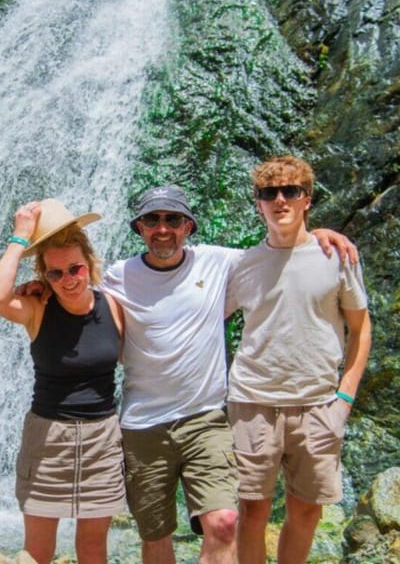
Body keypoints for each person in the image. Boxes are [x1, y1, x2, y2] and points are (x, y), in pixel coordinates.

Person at [99, 185, 356, 564]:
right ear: (139, 227)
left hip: (206, 418)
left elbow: (280, 250)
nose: (163, 228)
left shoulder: (221, 262)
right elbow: (76, 300)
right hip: (142, 425)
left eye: (173, 219)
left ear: (188, 226)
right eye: (152, 220)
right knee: (155, 537)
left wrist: (317, 233)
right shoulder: (118, 276)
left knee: (224, 522)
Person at [225, 155, 371, 564]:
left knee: (306, 510)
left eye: (291, 191)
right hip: (252, 402)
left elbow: (361, 329)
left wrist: (344, 398)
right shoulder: (241, 265)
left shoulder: (338, 257)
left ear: (307, 199)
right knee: (251, 511)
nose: (280, 200)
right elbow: (194, 306)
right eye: (269, 193)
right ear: (258, 203)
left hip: (319, 404)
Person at [0, 199, 127, 564]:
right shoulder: (38, 309)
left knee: (94, 548)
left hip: (102, 439)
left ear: (90, 264)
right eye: (56, 274)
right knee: (37, 551)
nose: (68, 280)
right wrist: (19, 238)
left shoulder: (112, 306)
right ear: (44, 276)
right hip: (48, 439)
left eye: (75, 269)